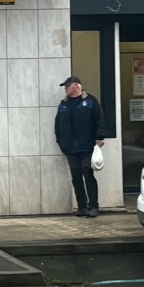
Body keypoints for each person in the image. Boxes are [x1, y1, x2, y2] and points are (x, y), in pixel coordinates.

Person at [54, 76, 106, 218]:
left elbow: (99, 120)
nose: (65, 89)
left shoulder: (90, 101)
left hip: (87, 146)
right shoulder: (63, 104)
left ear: (76, 86)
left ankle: (93, 206)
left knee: (87, 173)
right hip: (70, 147)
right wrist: (61, 142)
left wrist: (99, 138)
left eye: (67, 86)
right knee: (76, 176)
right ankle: (81, 207)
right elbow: (58, 125)